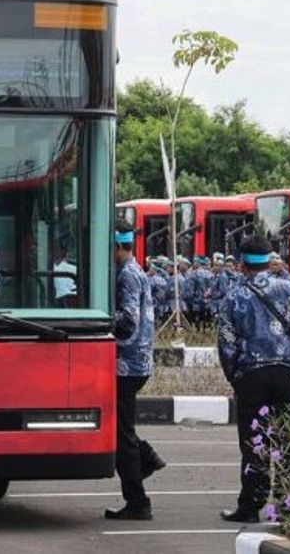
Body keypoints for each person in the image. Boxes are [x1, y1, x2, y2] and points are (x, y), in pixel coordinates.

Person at [217, 234, 290, 523]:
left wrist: (235, 376)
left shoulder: (234, 295)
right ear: (268, 260)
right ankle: (287, 506)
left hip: (251, 375)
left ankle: (250, 506)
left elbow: (226, 343)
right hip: (287, 373)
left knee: (254, 441)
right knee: (289, 439)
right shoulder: (288, 289)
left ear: (242, 264)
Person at [105, 223, 164, 520]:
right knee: (122, 428)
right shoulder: (133, 269)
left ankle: (138, 501)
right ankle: (147, 459)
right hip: (135, 362)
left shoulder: (127, 275)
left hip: (126, 363)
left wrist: (98, 318)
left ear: (116, 246)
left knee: (122, 435)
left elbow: (127, 320)